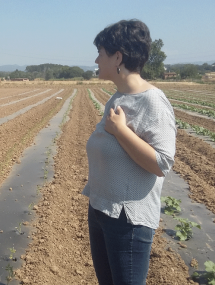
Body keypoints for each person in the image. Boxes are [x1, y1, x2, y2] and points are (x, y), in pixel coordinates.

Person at [83, 20, 176, 285]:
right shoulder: (118, 97)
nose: (96, 59)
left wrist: (121, 131)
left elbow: (162, 163)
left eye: (100, 52)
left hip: (128, 221)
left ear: (118, 57)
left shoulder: (153, 101)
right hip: (102, 209)